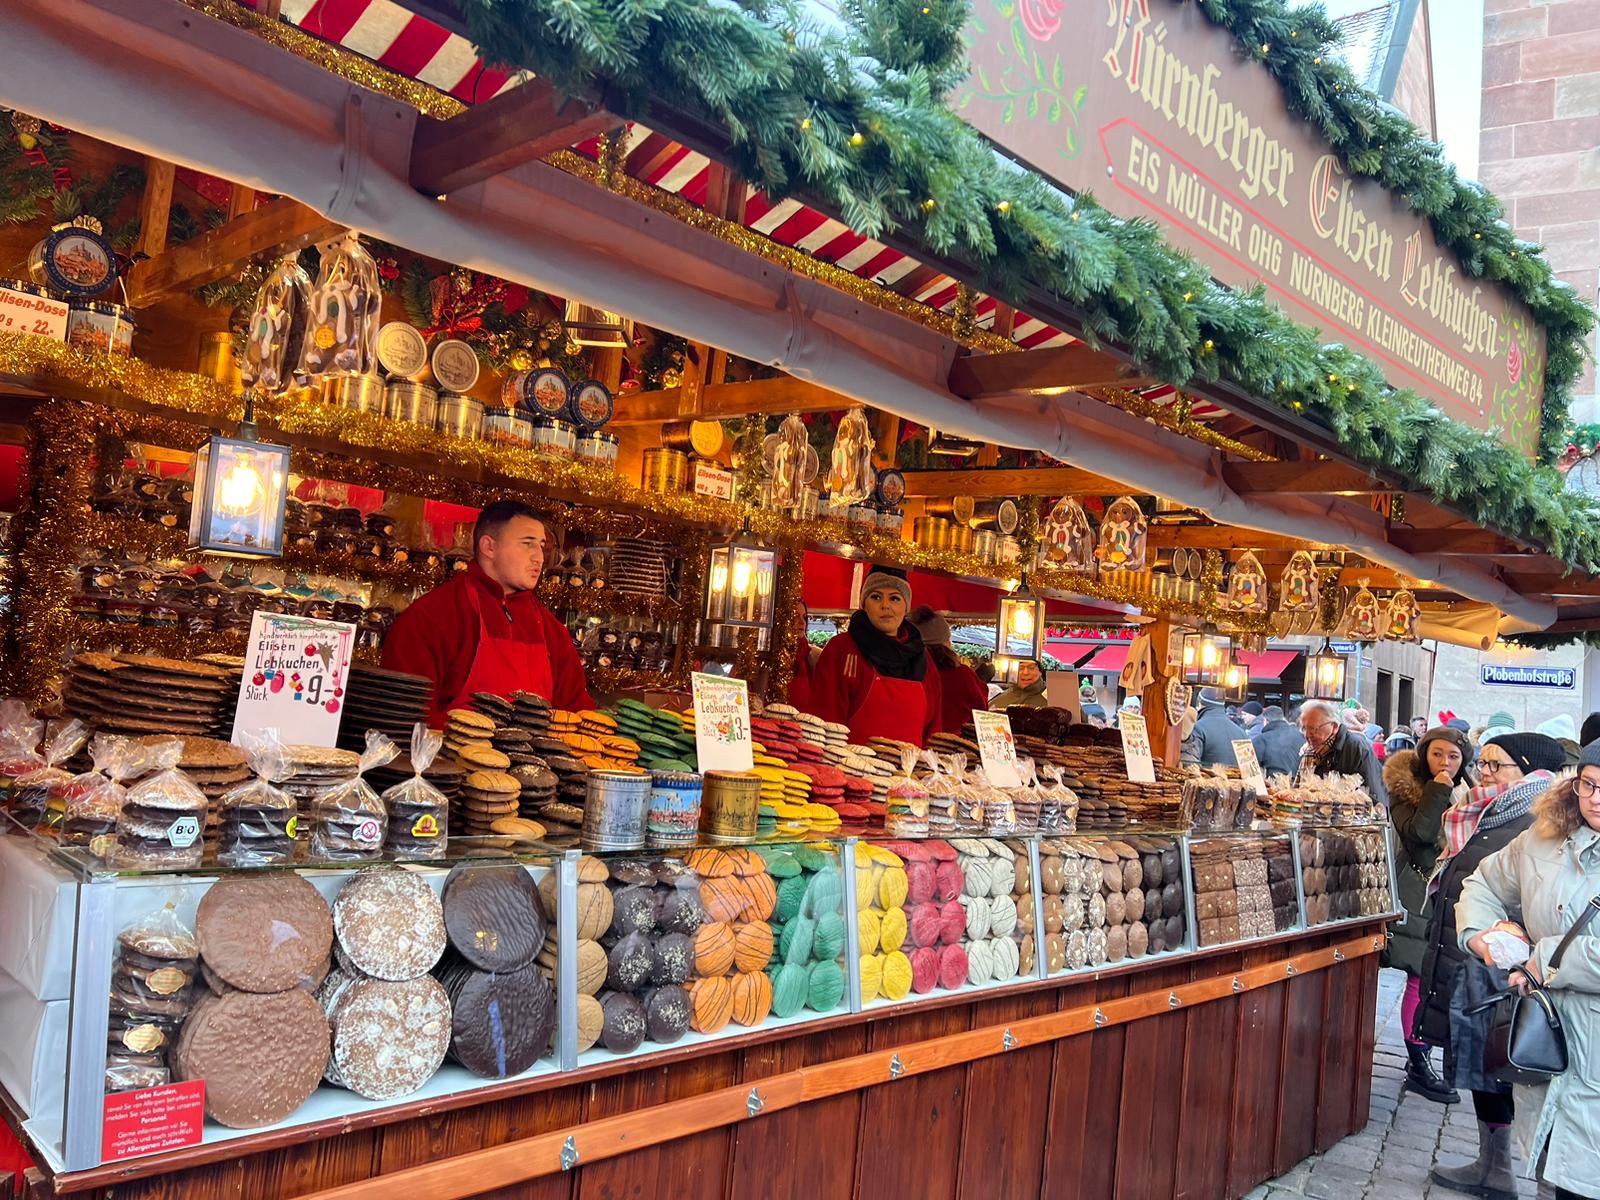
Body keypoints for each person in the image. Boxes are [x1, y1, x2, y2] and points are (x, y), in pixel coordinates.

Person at [1416, 732, 1562, 1197]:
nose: (1485, 773)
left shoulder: (1537, 820)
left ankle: (1546, 1180)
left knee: (1523, 1072)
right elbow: (1479, 882)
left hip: (1511, 972)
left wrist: (1509, 938)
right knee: (1483, 1068)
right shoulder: (1486, 810)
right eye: (1484, 763)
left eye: (1497, 766)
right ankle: (1493, 1166)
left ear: (1529, 771)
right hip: (1473, 958)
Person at [1459, 744, 1600, 1200]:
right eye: (1589, 784)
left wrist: (1541, 959)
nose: (1595, 798)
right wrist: (1480, 934)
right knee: (1558, 1176)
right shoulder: (1544, 836)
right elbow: (1484, 881)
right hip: (1551, 1046)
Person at [383, 500, 594, 725]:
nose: (539, 558)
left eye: (541, 546)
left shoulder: (552, 631)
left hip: (534, 760)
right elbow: (403, 718)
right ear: (488, 547)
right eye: (527, 544)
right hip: (448, 759)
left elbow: (576, 715)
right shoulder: (432, 618)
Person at [1382, 725, 1478, 1106]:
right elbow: (1421, 832)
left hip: (1452, 896)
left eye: (1453, 756)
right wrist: (1438, 788)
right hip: (1418, 894)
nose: (1446, 762)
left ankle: (1429, 1054)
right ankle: (1418, 1061)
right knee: (1419, 978)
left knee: (1439, 977)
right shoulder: (1406, 789)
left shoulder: (1467, 791)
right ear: (1424, 754)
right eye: (1438, 754)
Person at [806, 569, 941, 747]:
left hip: (910, 772)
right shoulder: (842, 648)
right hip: (850, 770)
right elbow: (823, 721)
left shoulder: (922, 658)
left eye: (894, 598)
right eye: (876, 597)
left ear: (906, 606)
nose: (885, 605)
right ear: (864, 604)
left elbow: (934, 732)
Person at [910, 605, 988, 736]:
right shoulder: (963, 675)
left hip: (917, 744)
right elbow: (982, 709)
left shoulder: (910, 673)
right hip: (958, 745)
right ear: (945, 642)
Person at [1297, 698, 1388, 805]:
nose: (1307, 735)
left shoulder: (1356, 747)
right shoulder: (1308, 751)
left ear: (1334, 726)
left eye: (1313, 729)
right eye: (1304, 728)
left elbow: (1374, 796)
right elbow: (1298, 790)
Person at [1184, 688, 1247, 767]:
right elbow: (1249, 770)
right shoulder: (1242, 732)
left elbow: (1190, 766)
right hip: (1238, 779)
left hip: (1207, 779)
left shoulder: (1198, 728)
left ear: (1199, 704)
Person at [1254, 704, 1304, 778]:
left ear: (1266, 720)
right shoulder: (1300, 735)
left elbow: (1252, 767)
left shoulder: (1261, 739)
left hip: (1273, 786)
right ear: (1282, 718)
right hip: (1301, 786)